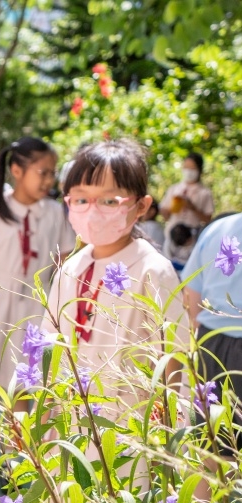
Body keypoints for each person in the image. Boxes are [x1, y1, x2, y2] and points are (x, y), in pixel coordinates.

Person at [42, 140, 188, 471]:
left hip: (129, 434)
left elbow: (175, 360)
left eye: (109, 201)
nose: (93, 211)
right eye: (81, 199)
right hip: (69, 430)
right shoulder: (70, 267)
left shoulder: (153, 270)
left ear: (141, 206)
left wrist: (169, 441)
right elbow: (49, 348)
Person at [0, 137, 77, 390]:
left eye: (52, 173)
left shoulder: (55, 213)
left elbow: (64, 259)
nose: (49, 180)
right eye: (42, 172)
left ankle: (19, 418)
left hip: (36, 303)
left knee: (26, 381)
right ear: (17, 171)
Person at [182, 211, 242, 450]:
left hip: (211, 343)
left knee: (213, 442)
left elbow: (191, 296)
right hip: (216, 339)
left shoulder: (217, 229)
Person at [160, 152, 215, 256]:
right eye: (186, 167)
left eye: (192, 168)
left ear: (199, 170)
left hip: (191, 239)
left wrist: (193, 208)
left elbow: (208, 219)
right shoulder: (174, 189)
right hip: (172, 236)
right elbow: (165, 216)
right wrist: (170, 209)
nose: (188, 171)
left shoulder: (204, 193)